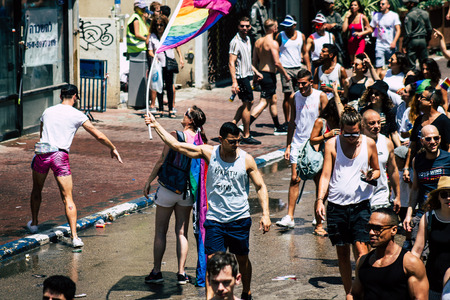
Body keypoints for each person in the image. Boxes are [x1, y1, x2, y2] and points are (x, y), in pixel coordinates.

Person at [144, 117, 271, 300]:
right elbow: (177, 145)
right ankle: (210, 298)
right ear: (221, 139)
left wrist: (266, 214)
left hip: (239, 218)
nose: (236, 145)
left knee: (241, 259)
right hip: (215, 220)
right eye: (231, 141)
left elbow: (260, 186)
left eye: (238, 141)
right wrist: (156, 126)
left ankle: (246, 291)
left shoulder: (246, 159)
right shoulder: (209, 152)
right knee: (212, 262)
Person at [28, 85, 123, 248]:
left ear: (60, 96)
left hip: (43, 153)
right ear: (75, 97)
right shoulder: (77, 115)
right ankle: (74, 237)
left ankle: (34, 224)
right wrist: (112, 148)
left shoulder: (48, 111)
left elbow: (41, 134)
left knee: (37, 189)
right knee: (67, 197)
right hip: (60, 155)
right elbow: (98, 135)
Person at [316, 106, 380, 298]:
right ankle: (349, 294)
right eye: (347, 134)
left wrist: (371, 175)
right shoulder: (331, 144)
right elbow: (326, 175)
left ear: (360, 128)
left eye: (355, 134)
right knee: (342, 254)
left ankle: (363, 291)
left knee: (361, 252)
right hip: (336, 205)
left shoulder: (369, 143)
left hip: (360, 204)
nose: (352, 138)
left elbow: (377, 169)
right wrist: (320, 200)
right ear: (340, 129)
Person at [144, 106, 207, 285]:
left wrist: (149, 181)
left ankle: (157, 271)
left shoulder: (176, 135)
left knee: (160, 231)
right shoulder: (201, 140)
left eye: (187, 113)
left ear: (191, 121)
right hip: (187, 192)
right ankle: (181, 273)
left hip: (168, 189)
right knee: (181, 232)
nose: (184, 114)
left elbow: (162, 160)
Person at [276, 69, 328, 229]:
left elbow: (327, 121)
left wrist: (324, 143)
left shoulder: (320, 96)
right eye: (298, 83)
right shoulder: (294, 97)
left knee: (319, 180)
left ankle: (317, 213)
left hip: (316, 143)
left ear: (311, 82)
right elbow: (292, 122)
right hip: (298, 142)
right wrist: (288, 145)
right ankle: (290, 217)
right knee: (294, 179)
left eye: (304, 83)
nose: (300, 86)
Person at [351, 208, 429, 300]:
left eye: (377, 228)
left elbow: (420, 297)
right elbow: (353, 294)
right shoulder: (363, 261)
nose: (371, 232)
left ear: (394, 230)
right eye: (369, 227)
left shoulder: (410, 263)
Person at [403, 125, 450, 250]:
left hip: (444, 213)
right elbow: (415, 189)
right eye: (428, 139)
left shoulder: (448, 159)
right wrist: (409, 214)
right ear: (422, 141)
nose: (433, 142)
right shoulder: (417, 160)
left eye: (436, 138)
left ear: (440, 138)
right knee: (418, 253)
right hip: (424, 213)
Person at [308, 83, 344, 236]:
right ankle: (319, 225)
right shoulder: (321, 122)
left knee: (334, 193)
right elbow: (312, 140)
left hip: (338, 162)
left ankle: (333, 222)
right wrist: (327, 135)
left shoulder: (342, 123)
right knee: (321, 194)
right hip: (322, 162)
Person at [249, 19, 291, 136]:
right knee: (263, 103)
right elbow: (277, 63)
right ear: (273, 29)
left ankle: (277, 127)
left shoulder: (258, 42)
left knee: (273, 100)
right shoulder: (272, 43)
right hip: (269, 75)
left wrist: (255, 76)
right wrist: (286, 75)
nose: (277, 29)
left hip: (262, 73)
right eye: (276, 27)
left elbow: (254, 61)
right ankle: (245, 125)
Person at [412, 176, 450, 299]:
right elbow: (417, 249)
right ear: (438, 197)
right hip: (432, 277)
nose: (448, 198)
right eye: (444, 194)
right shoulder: (429, 218)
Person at [403, 86, 450, 185]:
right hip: (421, 167)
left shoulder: (443, 121)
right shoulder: (419, 120)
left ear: (430, 102)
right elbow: (412, 146)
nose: (419, 100)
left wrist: (446, 165)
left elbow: (449, 146)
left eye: (422, 98)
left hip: (438, 168)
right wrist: (406, 167)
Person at [229, 16, 263, 145]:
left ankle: (232, 125)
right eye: (242, 26)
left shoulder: (247, 39)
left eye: (247, 26)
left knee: (247, 103)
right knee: (248, 103)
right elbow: (231, 63)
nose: (244, 28)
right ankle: (246, 135)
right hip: (240, 77)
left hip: (247, 75)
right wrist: (234, 82)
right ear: (238, 27)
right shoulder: (235, 42)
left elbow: (247, 60)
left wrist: (255, 71)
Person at [361, 110, 401, 211]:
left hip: (381, 198)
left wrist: (397, 197)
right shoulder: (356, 143)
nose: (376, 126)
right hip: (360, 198)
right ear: (363, 124)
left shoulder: (387, 143)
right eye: (372, 123)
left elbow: (393, 171)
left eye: (379, 122)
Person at [148, 15, 184, 118]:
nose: (159, 27)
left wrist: (181, 58)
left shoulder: (169, 35)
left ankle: (171, 108)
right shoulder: (153, 37)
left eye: (161, 25)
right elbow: (150, 50)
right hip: (158, 65)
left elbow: (177, 46)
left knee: (169, 86)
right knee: (159, 87)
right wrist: (154, 57)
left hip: (168, 64)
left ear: (165, 25)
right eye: (157, 25)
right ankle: (160, 109)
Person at [276, 15, 309, 125]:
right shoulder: (280, 36)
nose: (287, 29)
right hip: (286, 68)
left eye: (289, 26)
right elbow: (275, 51)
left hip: (298, 67)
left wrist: (308, 67)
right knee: (287, 94)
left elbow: (305, 52)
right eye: (285, 26)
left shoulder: (301, 36)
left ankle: (298, 118)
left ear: (294, 25)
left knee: (300, 93)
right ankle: (287, 120)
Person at [359, 80, 401, 147]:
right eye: (371, 93)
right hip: (368, 143)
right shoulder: (364, 111)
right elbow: (361, 130)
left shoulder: (389, 112)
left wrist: (400, 148)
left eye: (376, 94)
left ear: (383, 96)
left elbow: (393, 132)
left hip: (383, 144)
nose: (373, 95)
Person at [126, 0, 149, 108]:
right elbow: (137, 34)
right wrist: (148, 39)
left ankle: (141, 101)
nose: (144, 9)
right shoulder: (135, 18)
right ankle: (136, 102)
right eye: (142, 8)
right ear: (136, 8)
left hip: (140, 50)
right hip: (136, 50)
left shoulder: (139, 18)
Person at [370, 0, 401, 76]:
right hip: (379, 44)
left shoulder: (393, 15)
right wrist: (361, 32)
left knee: (392, 65)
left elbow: (398, 30)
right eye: (380, 4)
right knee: (378, 65)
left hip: (390, 45)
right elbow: (371, 28)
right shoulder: (376, 16)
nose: (381, 5)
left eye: (383, 4)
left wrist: (394, 42)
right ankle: (377, 83)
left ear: (388, 5)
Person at [402, 0, 432, 70]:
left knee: (411, 65)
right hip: (423, 40)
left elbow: (408, 33)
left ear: (412, 4)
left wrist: (404, 45)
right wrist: (427, 40)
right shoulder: (425, 13)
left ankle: (413, 79)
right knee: (424, 64)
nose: (406, 5)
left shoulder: (409, 15)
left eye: (407, 3)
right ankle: (425, 79)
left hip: (413, 41)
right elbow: (429, 29)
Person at [318, 0, 347, 68]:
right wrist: (325, 25)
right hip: (324, 37)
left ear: (333, 4)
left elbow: (341, 26)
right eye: (326, 3)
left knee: (338, 54)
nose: (327, 5)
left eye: (329, 4)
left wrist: (334, 25)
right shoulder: (321, 13)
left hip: (336, 38)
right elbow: (317, 23)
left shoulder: (336, 15)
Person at [305, 13, 335, 77]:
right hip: (317, 64)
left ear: (324, 25)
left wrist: (335, 64)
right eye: (315, 25)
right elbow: (306, 52)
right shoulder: (311, 38)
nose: (316, 27)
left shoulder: (330, 36)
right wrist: (309, 68)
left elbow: (334, 52)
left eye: (318, 25)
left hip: (328, 64)